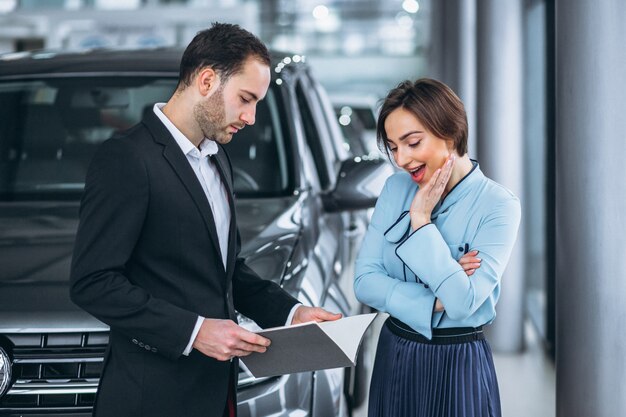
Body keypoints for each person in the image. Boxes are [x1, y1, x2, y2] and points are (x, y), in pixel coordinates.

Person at [70, 22, 340, 417]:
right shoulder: (128, 160)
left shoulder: (216, 158)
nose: (250, 117)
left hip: (216, 394)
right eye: (246, 99)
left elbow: (224, 270)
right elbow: (92, 282)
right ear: (207, 80)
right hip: (153, 400)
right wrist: (194, 332)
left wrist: (289, 313)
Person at [354, 78, 521, 417]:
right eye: (393, 147)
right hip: (395, 352)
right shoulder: (395, 187)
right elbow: (364, 281)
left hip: (458, 361)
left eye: (412, 143)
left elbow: (462, 305)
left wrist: (421, 220)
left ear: (450, 132)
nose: (401, 159)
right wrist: (435, 299)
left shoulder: (498, 205)